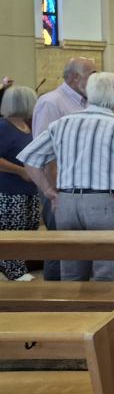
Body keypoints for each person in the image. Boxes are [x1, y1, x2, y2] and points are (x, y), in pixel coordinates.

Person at [19, 72, 114, 282]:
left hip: (67, 202)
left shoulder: (63, 123)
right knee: (108, 269)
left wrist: (48, 191)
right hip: (107, 201)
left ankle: (76, 313)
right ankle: (108, 312)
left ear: (89, 93)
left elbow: (30, 158)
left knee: (71, 270)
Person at [31, 56, 96, 281]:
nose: (95, 79)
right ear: (75, 77)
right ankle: (55, 299)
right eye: (91, 74)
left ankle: (79, 296)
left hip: (80, 186)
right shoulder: (52, 102)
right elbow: (45, 151)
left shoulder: (87, 102)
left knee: (77, 246)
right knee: (60, 246)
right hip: (58, 186)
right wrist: (54, 190)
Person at [0, 86, 39, 281]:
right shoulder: (3, 126)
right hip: (8, 190)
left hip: (29, 189)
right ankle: (14, 271)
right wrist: (20, 171)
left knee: (27, 228)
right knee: (11, 230)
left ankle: (18, 266)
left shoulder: (26, 125)